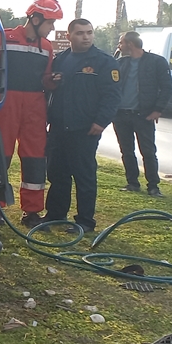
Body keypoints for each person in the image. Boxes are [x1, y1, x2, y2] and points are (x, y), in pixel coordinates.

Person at [43, 18, 121, 233]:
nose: (86, 37)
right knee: (57, 173)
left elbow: (112, 96)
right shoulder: (60, 60)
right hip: (59, 127)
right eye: (80, 33)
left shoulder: (103, 61)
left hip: (84, 128)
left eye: (89, 32)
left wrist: (101, 122)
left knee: (84, 176)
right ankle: (56, 214)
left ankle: (85, 221)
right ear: (69, 36)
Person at [0, 0, 62, 228]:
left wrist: (52, 81)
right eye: (50, 23)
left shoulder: (46, 47)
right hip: (6, 104)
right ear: (35, 19)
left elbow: (45, 78)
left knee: (35, 158)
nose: (52, 28)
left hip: (35, 105)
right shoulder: (3, 37)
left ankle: (32, 211)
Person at [113, 31, 172, 197]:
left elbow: (167, 88)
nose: (119, 46)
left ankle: (153, 186)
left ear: (130, 44)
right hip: (121, 115)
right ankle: (132, 183)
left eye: (121, 42)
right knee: (126, 150)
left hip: (144, 115)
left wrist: (157, 110)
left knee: (148, 151)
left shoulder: (156, 62)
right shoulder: (120, 63)